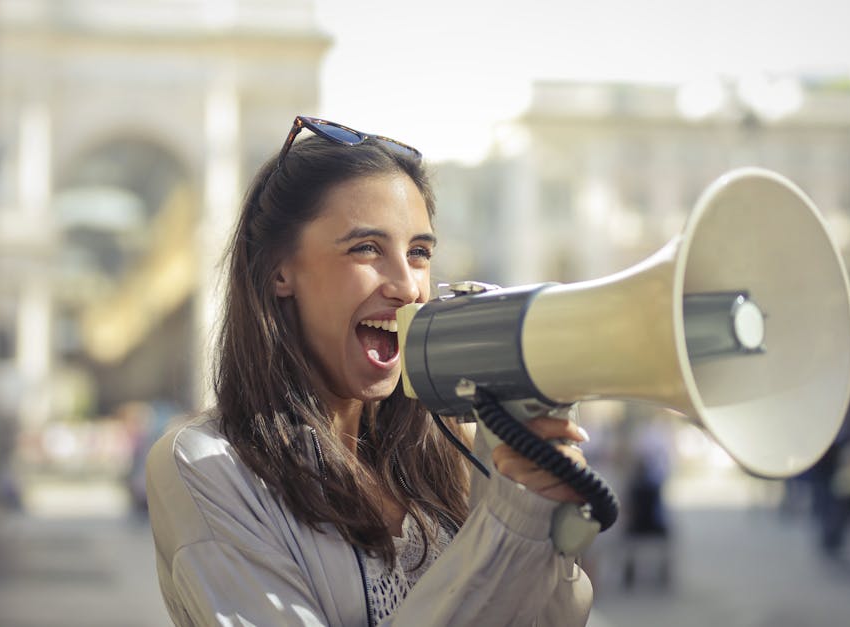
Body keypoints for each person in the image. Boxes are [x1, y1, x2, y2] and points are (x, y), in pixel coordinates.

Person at [145, 116, 595, 625]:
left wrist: (541, 515)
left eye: (420, 253)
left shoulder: (458, 447)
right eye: (366, 248)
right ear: (279, 271)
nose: (407, 287)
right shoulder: (206, 464)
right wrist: (505, 527)